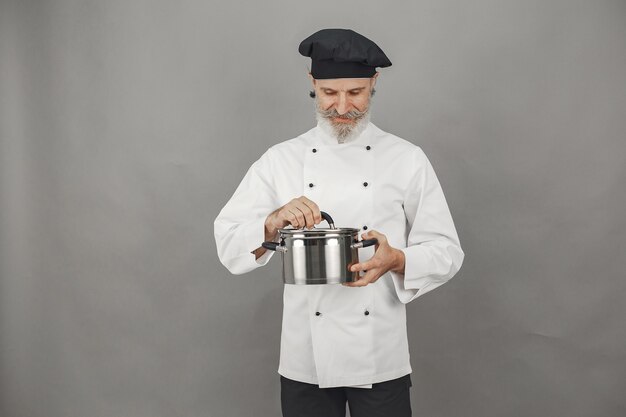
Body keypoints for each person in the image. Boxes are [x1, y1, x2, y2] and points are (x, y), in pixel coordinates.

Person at [214, 28, 464, 417]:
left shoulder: (406, 158)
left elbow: (447, 252)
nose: (342, 106)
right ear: (313, 83)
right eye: (330, 93)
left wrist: (396, 260)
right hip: (304, 359)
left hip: (380, 355)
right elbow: (228, 245)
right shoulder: (279, 160)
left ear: (374, 84)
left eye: (356, 93)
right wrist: (270, 224)